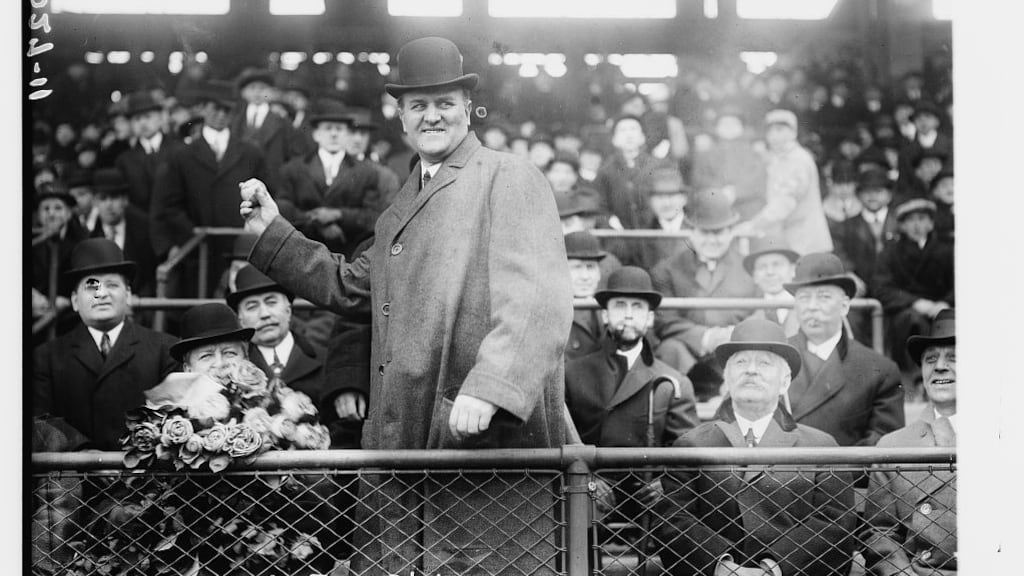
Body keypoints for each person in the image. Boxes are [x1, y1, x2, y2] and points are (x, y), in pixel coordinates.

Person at [239, 36, 571, 575]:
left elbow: (538, 300)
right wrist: (273, 233)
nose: (432, 116)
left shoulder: (507, 176)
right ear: (401, 119)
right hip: (404, 445)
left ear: (467, 109)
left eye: (444, 103)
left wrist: (491, 387)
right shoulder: (400, 205)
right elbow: (353, 286)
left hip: (477, 441)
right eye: (418, 105)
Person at [656, 318, 856, 576]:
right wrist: (723, 568)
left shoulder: (821, 447)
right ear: (726, 380)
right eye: (741, 362)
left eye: (764, 363)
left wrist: (773, 568)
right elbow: (674, 521)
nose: (751, 370)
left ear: (784, 382)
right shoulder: (691, 445)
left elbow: (836, 524)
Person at [33, 238, 178, 450]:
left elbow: (174, 419)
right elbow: (39, 420)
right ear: (74, 300)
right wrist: (84, 454)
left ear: (128, 295)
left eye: (112, 285)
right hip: (75, 478)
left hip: (143, 479)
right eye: (91, 286)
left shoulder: (165, 350)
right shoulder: (45, 358)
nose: (102, 294)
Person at [150, 81, 271, 297]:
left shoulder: (251, 153)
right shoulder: (181, 155)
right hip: (197, 252)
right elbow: (168, 204)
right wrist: (190, 236)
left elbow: (269, 195)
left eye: (227, 110)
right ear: (203, 109)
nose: (221, 115)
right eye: (215, 108)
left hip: (241, 251)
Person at [862, 309, 957, 575]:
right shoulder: (894, 445)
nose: (939, 366)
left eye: (954, 358)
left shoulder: (1007, 438)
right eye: (930, 359)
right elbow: (880, 533)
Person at [784, 253, 904, 446]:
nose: (812, 307)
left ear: (845, 306)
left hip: (843, 474)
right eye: (804, 298)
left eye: (823, 297)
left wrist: (827, 475)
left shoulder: (879, 371)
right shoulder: (776, 357)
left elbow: (883, 442)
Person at [651, 188, 758, 401]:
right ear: (690, 231)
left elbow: (759, 313)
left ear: (731, 231)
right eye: (704, 232)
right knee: (669, 349)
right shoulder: (667, 269)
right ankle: (675, 408)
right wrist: (706, 337)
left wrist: (734, 336)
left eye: (718, 233)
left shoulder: (749, 268)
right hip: (688, 355)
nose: (711, 240)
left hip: (735, 352)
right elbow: (665, 320)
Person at [275, 98, 382, 258]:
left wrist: (338, 214)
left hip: (348, 255)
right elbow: (283, 208)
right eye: (328, 128)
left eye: (339, 129)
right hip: (302, 254)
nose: (333, 134)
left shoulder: (366, 172)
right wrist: (317, 222)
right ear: (316, 134)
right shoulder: (293, 168)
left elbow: (372, 216)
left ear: (347, 134)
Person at [872, 199, 955, 375]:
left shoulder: (949, 250)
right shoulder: (890, 253)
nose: (917, 225)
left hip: (943, 308)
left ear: (931, 223)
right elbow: (881, 288)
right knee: (912, 321)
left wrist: (945, 303)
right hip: (907, 312)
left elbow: (963, 283)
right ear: (901, 226)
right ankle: (914, 378)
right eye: (910, 220)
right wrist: (915, 302)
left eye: (922, 218)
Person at [739, 109, 833, 255]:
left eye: (780, 130)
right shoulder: (779, 158)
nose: (774, 136)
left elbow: (785, 203)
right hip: (792, 238)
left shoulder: (798, 160)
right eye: (770, 131)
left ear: (793, 133)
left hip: (807, 242)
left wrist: (754, 225)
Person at [226, 265, 325, 401]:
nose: (265, 314)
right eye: (252, 307)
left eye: (271, 302)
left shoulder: (326, 359)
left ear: (288, 310)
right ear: (240, 320)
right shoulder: (232, 368)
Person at [88, 168, 159, 300]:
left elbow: (151, 276)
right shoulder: (89, 237)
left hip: (140, 305)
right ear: (95, 202)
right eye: (103, 198)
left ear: (125, 200)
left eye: (114, 197)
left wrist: (139, 298)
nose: (109, 205)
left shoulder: (145, 231)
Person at [690, 106, 767, 221]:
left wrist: (736, 192)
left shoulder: (753, 151)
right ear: (716, 128)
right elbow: (699, 178)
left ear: (742, 128)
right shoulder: (706, 151)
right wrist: (721, 191)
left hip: (746, 205)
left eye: (734, 124)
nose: (729, 127)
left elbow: (757, 178)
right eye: (724, 124)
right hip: (716, 204)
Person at [592, 114, 667, 229]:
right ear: (614, 140)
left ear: (642, 137)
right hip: (620, 238)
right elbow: (599, 208)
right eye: (622, 130)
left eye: (633, 129)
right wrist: (610, 222)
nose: (629, 134)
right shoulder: (605, 171)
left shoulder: (658, 166)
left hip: (655, 235)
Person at [115, 90, 183, 212]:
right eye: (137, 119)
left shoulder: (179, 150)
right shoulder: (125, 160)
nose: (143, 123)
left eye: (148, 116)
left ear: (160, 118)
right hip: (141, 225)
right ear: (131, 124)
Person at [229, 68, 298, 177]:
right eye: (252, 88)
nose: (257, 92)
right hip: (241, 177)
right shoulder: (234, 119)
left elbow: (293, 153)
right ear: (243, 93)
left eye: (262, 88)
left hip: (273, 179)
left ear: (271, 92)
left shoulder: (282, 120)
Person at [632, 165, 691, 271]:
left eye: (671, 196)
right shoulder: (643, 236)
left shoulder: (697, 229)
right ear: (650, 201)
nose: (666, 203)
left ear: (684, 198)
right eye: (659, 197)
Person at [564, 231, 611, 360]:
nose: (585, 277)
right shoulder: (551, 314)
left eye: (590, 267)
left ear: (599, 273)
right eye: (576, 267)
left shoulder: (606, 308)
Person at [742, 234, 800, 335]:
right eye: (762, 267)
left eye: (777, 264)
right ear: (754, 276)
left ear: (792, 270)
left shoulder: (807, 311)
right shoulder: (749, 323)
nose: (770, 272)